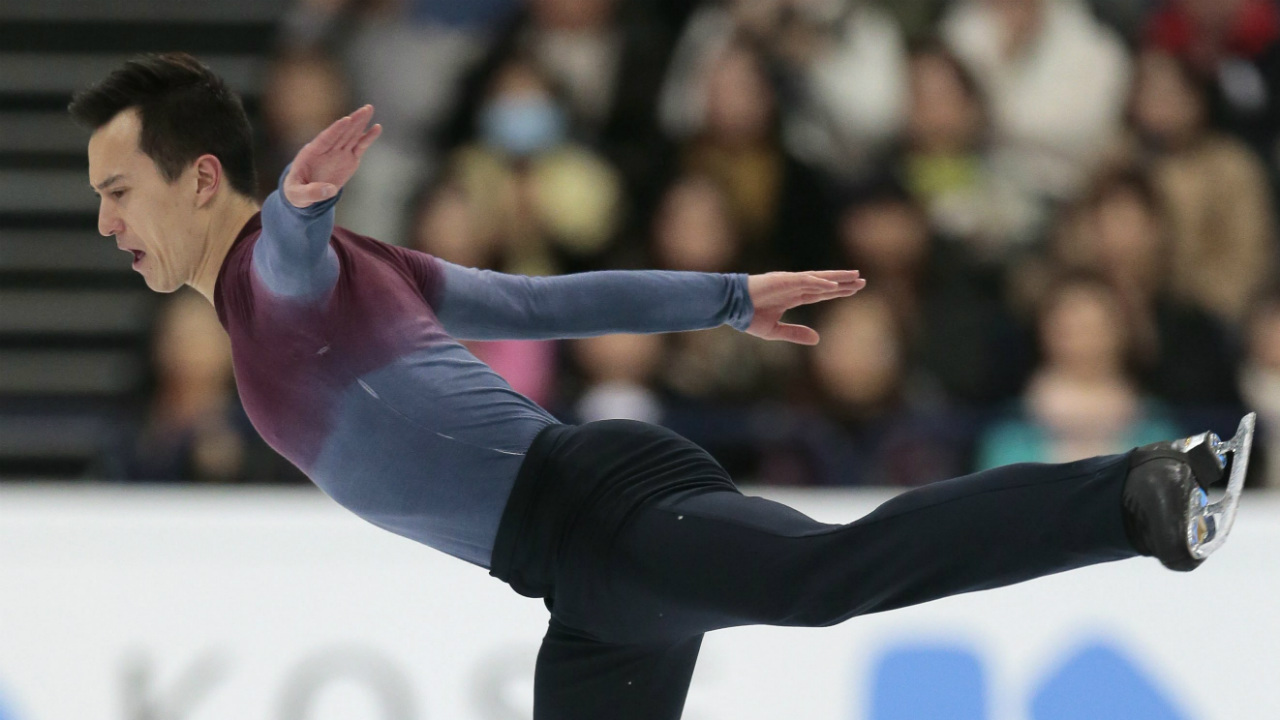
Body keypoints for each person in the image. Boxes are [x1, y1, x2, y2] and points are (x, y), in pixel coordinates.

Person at [72, 53, 1238, 719]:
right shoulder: (349, 286)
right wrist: (726, 298)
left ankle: (1138, 496)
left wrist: (301, 207)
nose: (106, 220)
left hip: (597, 509)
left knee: (824, 576)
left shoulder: (289, 276)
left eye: (119, 190)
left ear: (203, 177)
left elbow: (283, 248)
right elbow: (540, 306)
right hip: (577, 579)